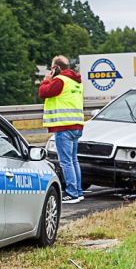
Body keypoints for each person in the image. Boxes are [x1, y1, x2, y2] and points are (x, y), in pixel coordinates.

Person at [39, 55, 85, 204]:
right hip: (76, 126)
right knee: (73, 160)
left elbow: (43, 92)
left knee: (66, 161)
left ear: (57, 68)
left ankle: (72, 193)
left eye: (52, 68)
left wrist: (47, 79)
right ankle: (78, 191)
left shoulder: (60, 81)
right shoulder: (76, 82)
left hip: (64, 127)